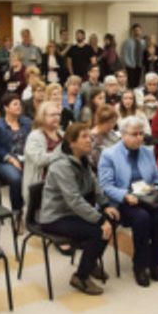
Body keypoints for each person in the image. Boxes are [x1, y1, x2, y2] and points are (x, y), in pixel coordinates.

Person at [38, 122, 118, 295]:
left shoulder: (82, 158)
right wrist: (100, 219)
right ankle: (80, 277)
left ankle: (90, 262)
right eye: (84, 137)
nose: (90, 140)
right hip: (55, 217)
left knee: (112, 219)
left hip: (72, 212)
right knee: (98, 231)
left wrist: (105, 206)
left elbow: (94, 183)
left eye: (90, 136)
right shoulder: (61, 165)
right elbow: (74, 200)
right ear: (71, 142)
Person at [99, 116, 158, 286]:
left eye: (141, 134)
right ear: (123, 134)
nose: (139, 138)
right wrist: (125, 195)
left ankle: (154, 261)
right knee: (142, 218)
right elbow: (106, 186)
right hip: (123, 201)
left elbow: (157, 177)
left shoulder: (147, 152)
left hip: (146, 197)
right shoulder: (109, 154)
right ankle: (140, 265)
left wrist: (156, 188)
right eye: (134, 134)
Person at [22, 101, 65, 207]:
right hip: (42, 183)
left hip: (62, 179)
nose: (57, 117)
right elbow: (39, 160)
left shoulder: (62, 134)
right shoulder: (34, 136)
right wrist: (63, 155)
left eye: (58, 114)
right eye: (52, 115)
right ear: (42, 117)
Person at [119, 24, 145, 88]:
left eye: (139, 30)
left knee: (138, 82)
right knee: (131, 83)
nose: (137, 32)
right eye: (136, 30)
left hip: (139, 65)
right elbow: (124, 54)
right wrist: (127, 63)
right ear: (132, 31)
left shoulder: (143, 42)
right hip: (130, 66)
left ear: (141, 31)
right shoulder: (127, 42)